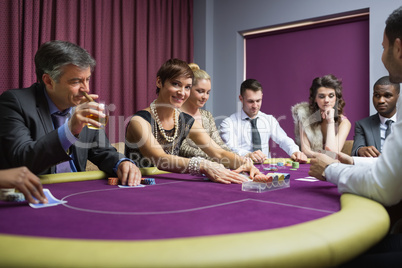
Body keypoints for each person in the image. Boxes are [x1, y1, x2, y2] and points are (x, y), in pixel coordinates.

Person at [309, 6, 402, 265]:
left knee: (336, 259)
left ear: (398, 48)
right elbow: (395, 170)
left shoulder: (347, 122)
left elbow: (385, 187)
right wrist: (353, 161)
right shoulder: (305, 118)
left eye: (383, 48)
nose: (382, 57)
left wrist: (330, 170)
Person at [0, 40, 141, 186]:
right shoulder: (15, 102)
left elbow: (103, 151)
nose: (86, 88)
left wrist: (122, 163)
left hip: (77, 192)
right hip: (36, 193)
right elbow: (23, 160)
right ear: (48, 80)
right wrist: (70, 130)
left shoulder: (83, 107)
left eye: (87, 79)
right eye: (76, 81)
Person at [125, 58, 260, 184]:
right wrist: (203, 165)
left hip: (168, 184)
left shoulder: (185, 120)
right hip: (135, 187)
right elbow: (160, 158)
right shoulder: (139, 121)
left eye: (187, 87)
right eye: (176, 84)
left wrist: (244, 163)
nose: (182, 93)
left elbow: (218, 152)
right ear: (159, 82)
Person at [219, 78, 307, 163]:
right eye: (250, 101)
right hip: (241, 169)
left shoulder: (269, 120)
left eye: (258, 100)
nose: (255, 105)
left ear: (262, 97)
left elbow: (283, 139)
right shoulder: (228, 123)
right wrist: (248, 155)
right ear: (241, 99)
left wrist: (295, 151)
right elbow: (229, 148)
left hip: (266, 170)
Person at [179, 63, 234, 161]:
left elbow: (220, 145)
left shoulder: (207, 115)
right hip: (183, 170)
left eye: (208, 92)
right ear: (188, 89)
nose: (205, 97)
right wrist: (223, 159)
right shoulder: (176, 115)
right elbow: (185, 150)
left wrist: (238, 157)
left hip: (211, 166)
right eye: (200, 91)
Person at [291, 74, 351, 158]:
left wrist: (330, 121)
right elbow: (306, 150)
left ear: (336, 98)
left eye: (331, 96)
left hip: (332, 167)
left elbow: (332, 153)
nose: (326, 100)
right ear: (315, 99)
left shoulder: (344, 123)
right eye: (321, 96)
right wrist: (322, 156)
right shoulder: (305, 115)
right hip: (309, 164)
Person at [351, 76, 399, 157]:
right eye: (377, 95)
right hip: (372, 167)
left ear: (398, 97)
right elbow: (356, 150)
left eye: (387, 96)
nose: (381, 101)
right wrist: (360, 150)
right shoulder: (362, 125)